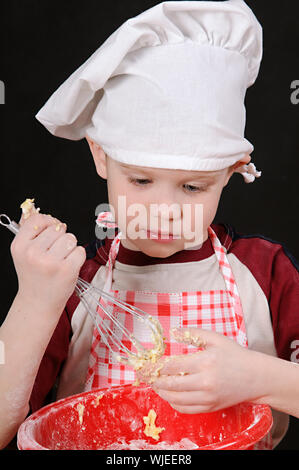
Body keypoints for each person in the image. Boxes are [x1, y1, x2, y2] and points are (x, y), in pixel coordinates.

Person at [0, 0, 298, 450]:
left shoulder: (266, 272)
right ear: (100, 154)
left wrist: (259, 376)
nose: (164, 210)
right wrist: (35, 302)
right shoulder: (75, 283)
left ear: (233, 170)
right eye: (140, 179)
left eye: (193, 188)